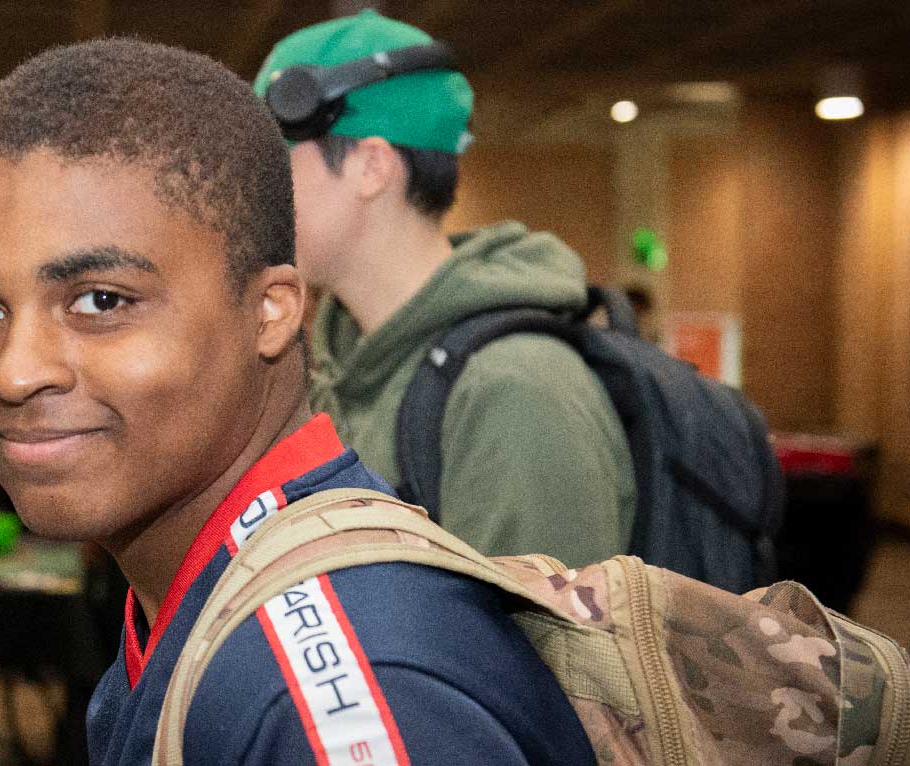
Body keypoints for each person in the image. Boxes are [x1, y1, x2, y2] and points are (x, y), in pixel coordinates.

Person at [0, 39, 594, 765]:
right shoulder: (199, 591)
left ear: (272, 312)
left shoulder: (326, 698)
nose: (13, 373)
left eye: (102, 300)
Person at [258, 10, 635, 566]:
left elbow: (544, 651)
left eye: (274, 165)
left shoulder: (515, 392)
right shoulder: (338, 374)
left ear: (371, 167)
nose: (255, 197)